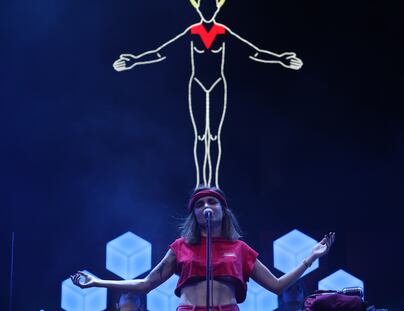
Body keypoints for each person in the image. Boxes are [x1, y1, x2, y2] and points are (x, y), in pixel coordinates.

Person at [112, 0, 303, 189]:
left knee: (214, 137)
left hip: (217, 84)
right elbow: (161, 52)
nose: (208, 10)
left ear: (217, 8)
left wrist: (280, 59)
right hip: (197, 84)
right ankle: (201, 183)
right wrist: (135, 61)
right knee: (200, 136)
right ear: (199, 8)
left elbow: (254, 52)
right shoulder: (193, 32)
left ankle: (213, 183)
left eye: (212, 6)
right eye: (204, 6)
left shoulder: (222, 32)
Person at [71, 186, 335, 311]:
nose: (206, 207)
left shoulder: (240, 248)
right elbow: (146, 284)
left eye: (212, 202)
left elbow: (277, 286)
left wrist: (310, 258)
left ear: (223, 209)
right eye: (200, 205)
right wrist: (97, 283)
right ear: (194, 214)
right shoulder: (181, 247)